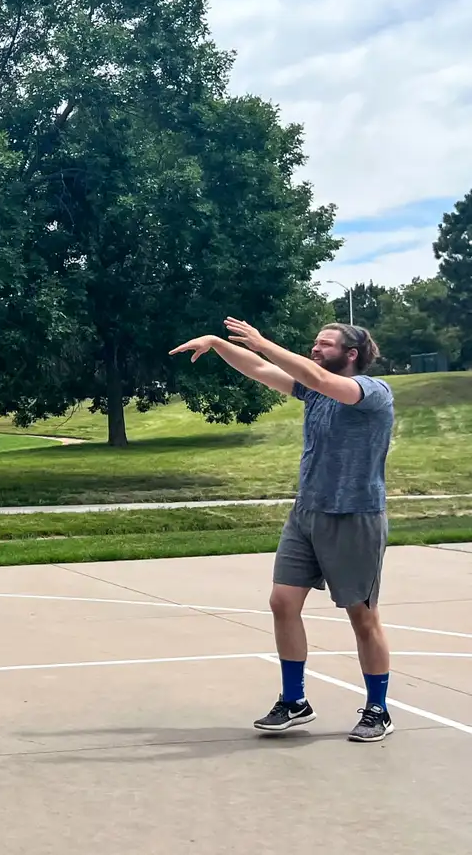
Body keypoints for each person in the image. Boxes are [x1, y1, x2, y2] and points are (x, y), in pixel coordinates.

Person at [169, 318, 395, 742]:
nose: (315, 348)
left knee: (362, 617)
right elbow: (260, 370)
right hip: (307, 512)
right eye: (314, 342)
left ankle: (378, 709)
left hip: (354, 516)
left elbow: (312, 375)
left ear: (351, 355)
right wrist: (219, 344)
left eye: (324, 344)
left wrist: (262, 341)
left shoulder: (372, 393)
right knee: (282, 602)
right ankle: (295, 701)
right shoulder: (315, 391)